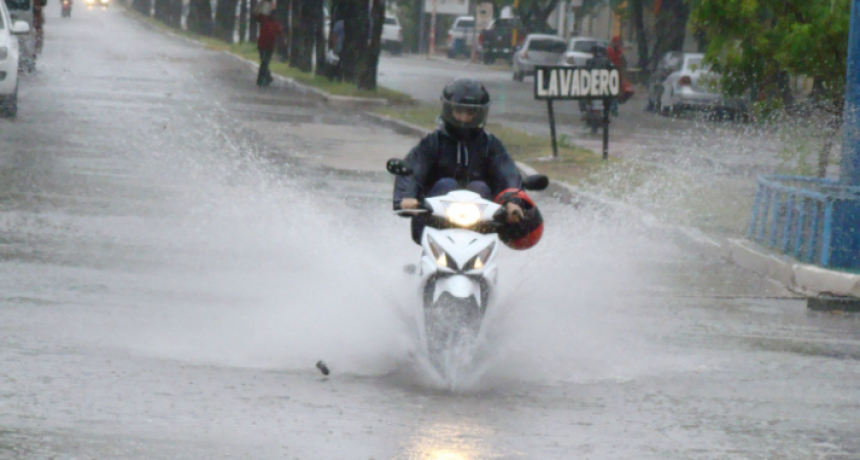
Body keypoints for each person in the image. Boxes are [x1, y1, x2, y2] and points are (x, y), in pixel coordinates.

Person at [393, 78, 544, 249]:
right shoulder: (432, 143)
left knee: (480, 188)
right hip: (433, 221)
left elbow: (507, 172)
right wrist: (406, 198)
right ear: (449, 110)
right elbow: (413, 169)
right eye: (459, 111)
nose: (464, 118)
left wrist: (512, 201)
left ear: (480, 113)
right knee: (446, 184)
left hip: (481, 225)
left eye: (470, 112)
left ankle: (483, 264)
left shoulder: (491, 145)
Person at [256, 11, 283, 87]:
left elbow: (280, 34)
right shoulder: (264, 20)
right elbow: (257, 15)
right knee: (264, 62)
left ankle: (261, 79)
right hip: (261, 45)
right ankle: (267, 77)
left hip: (269, 47)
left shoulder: (276, 24)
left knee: (265, 62)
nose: (273, 17)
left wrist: (281, 43)